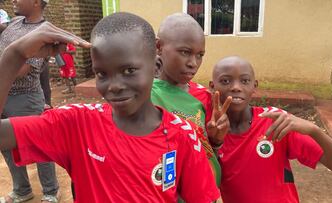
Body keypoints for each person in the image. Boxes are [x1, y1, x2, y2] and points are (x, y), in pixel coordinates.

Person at [0, 12, 220, 202]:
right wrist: (14, 55)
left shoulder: (183, 136)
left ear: (156, 66)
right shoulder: (78, 125)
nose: (114, 86)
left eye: (129, 70)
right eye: (102, 74)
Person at [209, 56, 332, 203]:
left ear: (254, 86)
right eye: (225, 81)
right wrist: (215, 143)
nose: (236, 87)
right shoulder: (209, 130)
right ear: (212, 86)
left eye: (245, 81)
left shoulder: (276, 121)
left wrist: (314, 130)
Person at [151, 13, 230, 188]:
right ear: (158, 46)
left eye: (200, 55)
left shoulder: (204, 96)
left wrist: (216, 140)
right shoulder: (145, 95)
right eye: (185, 52)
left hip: (207, 190)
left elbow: (207, 149)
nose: (193, 63)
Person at [0, 0, 60, 202]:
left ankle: (51, 191)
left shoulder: (43, 32)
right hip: (3, 94)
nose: (14, 0)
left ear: (36, 2)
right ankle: (22, 189)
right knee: (5, 144)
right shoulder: (16, 23)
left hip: (25, 98)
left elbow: (23, 69)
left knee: (38, 144)